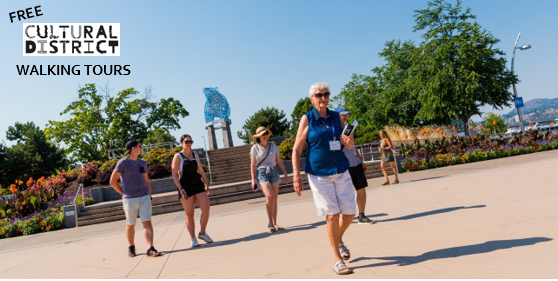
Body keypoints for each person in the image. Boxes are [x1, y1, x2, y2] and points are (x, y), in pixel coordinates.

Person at [292, 82, 357, 275]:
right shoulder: (307, 119)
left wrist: (350, 142)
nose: (323, 98)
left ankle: (338, 238)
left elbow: (348, 144)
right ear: (312, 99)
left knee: (350, 213)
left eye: (326, 94)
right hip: (319, 173)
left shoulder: (337, 117)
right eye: (319, 95)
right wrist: (296, 175)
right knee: (332, 215)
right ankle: (338, 260)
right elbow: (297, 148)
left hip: (340, 168)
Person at [110, 140, 162, 257]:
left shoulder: (143, 163)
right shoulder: (122, 163)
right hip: (129, 198)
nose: (142, 148)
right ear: (133, 148)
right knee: (131, 224)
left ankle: (150, 248)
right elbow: (112, 181)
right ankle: (131, 246)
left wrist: (150, 196)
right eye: (140, 146)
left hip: (144, 196)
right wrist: (123, 193)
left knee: (147, 222)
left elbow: (146, 181)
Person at [171, 134, 213, 247]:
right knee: (190, 214)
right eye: (186, 141)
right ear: (181, 143)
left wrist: (206, 183)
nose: (189, 143)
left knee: (206, 208)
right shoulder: (178, 157)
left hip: (198, 185)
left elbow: (200, 170)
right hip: (185, 187)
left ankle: (202, 233)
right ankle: (193, 238)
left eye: (191, 141)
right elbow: (174, 174)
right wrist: (180, 188)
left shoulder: (194, 154)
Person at [336, 107, 375, 224]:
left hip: (355, 164)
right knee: (344, 193)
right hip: (344, 165)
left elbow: (354, 147)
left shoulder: (349, 129)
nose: (345, 116)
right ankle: (342, 217)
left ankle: (362, 216)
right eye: (342, 115)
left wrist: (361, 161)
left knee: (361, 189)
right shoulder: (335, 130)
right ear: (337, 115)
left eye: (346, 114)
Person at [250, 126, 290, 233]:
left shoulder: (273, 146)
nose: (265, 136)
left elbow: (279, 161)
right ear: (258, 137)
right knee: (270, 197)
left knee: (275, 199)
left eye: (266, 133)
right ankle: (270, 222)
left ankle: (275, 222)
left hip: (273, 172)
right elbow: (253, 165)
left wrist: (285, 174)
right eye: (263, 134)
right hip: (262, 173)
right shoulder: (255, 148)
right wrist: (253, 179)